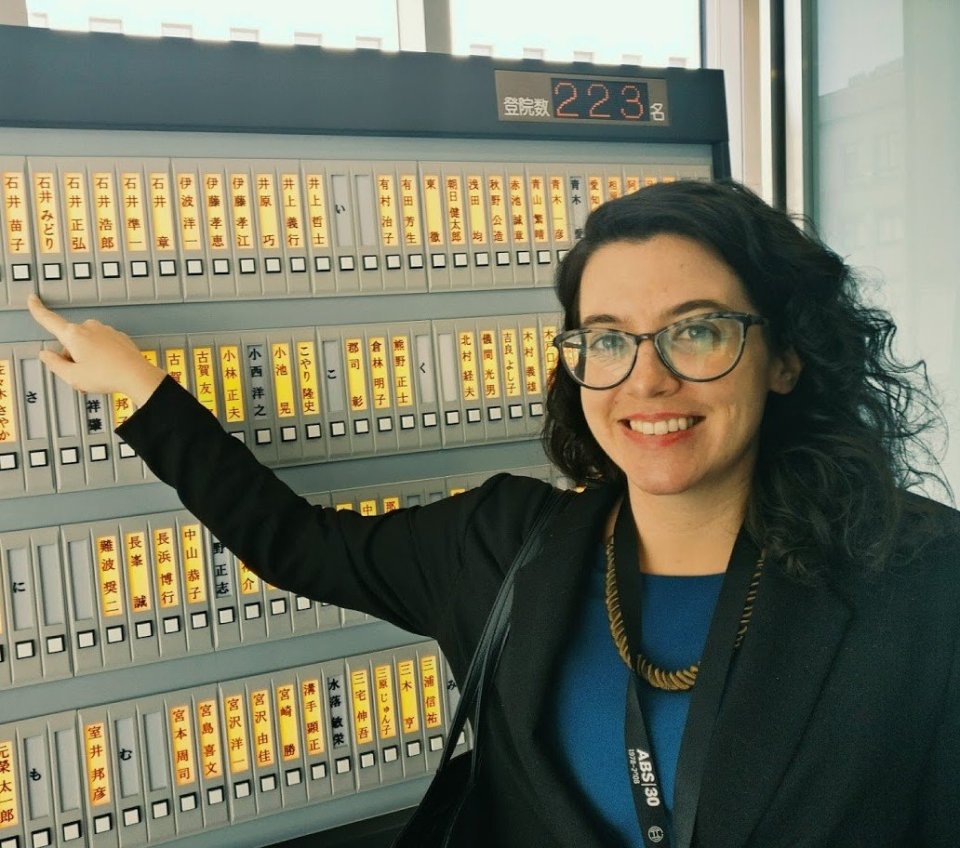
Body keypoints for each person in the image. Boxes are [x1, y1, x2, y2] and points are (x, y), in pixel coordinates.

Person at [28, 179, 959, 848]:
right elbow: (295, 542)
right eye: (607, 340)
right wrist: (143, 394)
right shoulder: (506, 547)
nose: (648, 378)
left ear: (785, 357)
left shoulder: (924, 581)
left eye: (698, 329)